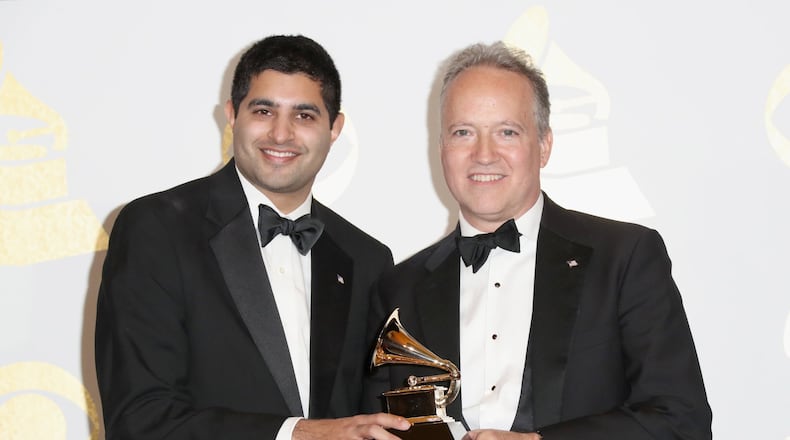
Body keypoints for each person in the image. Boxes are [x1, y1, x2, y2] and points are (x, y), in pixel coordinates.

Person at [363, 41, 712, 439]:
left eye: (507, 132)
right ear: (441, 148)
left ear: (544, 146)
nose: (484, 154)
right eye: (463, 133)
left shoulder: (625, 257)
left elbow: (681, 421)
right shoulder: (397, 288)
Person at [95, 35, 409, 440]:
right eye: (263, 110)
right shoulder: (155, 229)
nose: (281, 134)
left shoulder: (367, 259)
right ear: (232, 115)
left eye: (305, 116)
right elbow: (138, 419)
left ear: (335, 129)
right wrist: (296, 434)